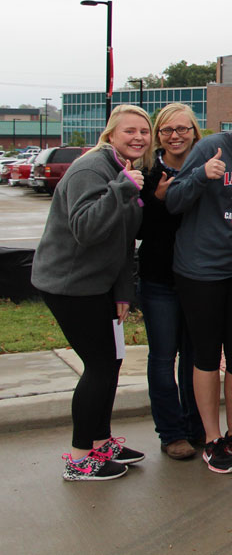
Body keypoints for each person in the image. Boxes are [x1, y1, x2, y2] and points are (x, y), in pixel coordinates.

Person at [33, 104, 150, 481]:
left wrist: (122, 290)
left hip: (99, 285)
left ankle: (100, 442)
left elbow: (122, 239)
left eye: (144, 132)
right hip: (71, 286)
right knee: (99, 367)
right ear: (111, 134)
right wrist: (122, 189)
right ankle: (80, 457)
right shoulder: (92, 169)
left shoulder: (123, 170)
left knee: (111, 363)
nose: (138, 137)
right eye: (129, 131)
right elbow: (86, 228)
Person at [166, 90, 232, 474]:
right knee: (207, 355)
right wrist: (201, 175)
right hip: (200, 271)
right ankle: (212, 439)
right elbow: (174, 201)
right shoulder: (210, 149)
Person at [137, 103, 203, 460]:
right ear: (158, 135)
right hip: (159, 279)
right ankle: (172, 432)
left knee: (195, 358)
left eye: (182, 129)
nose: (175, 136)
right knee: (163, 357)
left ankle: (197, 426)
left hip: (197, 280)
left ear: (195, 131)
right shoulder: (145, 172)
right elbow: (138, 230)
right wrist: (158, 200)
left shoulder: (206, 167)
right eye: (166, 130)